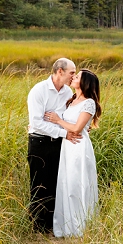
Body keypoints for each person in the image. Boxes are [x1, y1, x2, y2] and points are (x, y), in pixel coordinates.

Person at [44, 68, 101, 237]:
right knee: (66, 183)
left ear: (85, 83)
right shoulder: (72, 100)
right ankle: (66, 226)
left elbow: (77, 128)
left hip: (78, 147)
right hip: (67, 147)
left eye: (77, 77)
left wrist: (58, 120)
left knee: (78, 183)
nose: (73, 78)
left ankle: (81, 226)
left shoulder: (89, 102)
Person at [26, 58, 80, 233]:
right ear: (60, 72)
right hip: (39, 142)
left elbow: (66, 118)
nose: (73, 76)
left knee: (56, 182)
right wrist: (64, 132)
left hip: (58, 144)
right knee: (39, 184)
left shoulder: (67, 93)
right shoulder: (39, 90)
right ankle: (38, 226)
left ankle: (52, 223)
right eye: (71, 72)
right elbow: (37, 122)